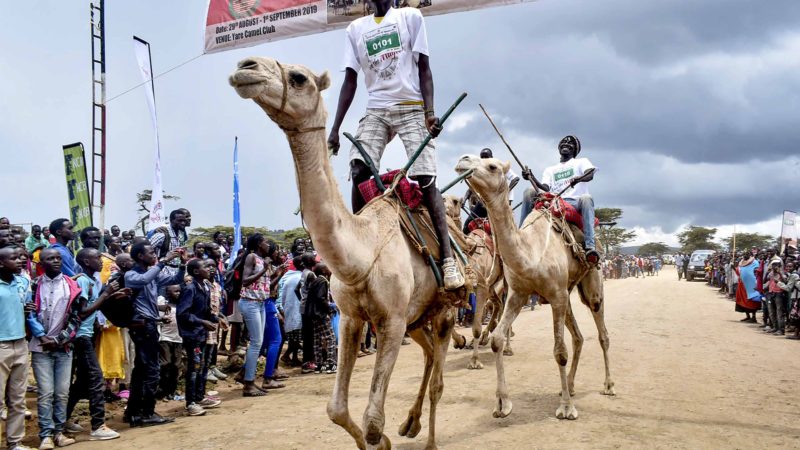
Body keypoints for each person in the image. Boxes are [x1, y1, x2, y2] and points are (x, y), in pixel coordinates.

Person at [327, 0, 464, 290]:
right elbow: (350, 81)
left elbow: (424, 68)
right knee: (358, 167)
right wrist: (336, 128)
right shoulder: (356, 29)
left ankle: (448, 259)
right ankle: (359, 246)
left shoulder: (410, 17)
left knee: (426, 178)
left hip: (412, 106)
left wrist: (429, 113)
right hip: (377, 108)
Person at [123, 242, 186, 427]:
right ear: (140, 256)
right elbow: (144, 280)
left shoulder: (152, 273)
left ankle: (133, 412)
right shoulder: (132, 275)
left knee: (141, 370)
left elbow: (175, 280)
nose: (154, 255)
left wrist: (182, 264)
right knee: (152, 370)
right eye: (151, 252)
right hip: (142, 327)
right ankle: (147, 412)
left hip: (149, 325)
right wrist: (164, 261)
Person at [27, 248, 83, 449]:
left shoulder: (72, 285)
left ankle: (58, 432)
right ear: (41, 263)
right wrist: (43, 337)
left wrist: (59, 340)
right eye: (50, 259)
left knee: (61, 392)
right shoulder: (33, 286)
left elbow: (77, 317)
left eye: (58, 258)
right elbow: (29, 314)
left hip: (63, 347)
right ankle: (45, 435)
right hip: (40, 347)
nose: (56, 261)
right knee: (45, 393)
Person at [64, 248, 123, 441]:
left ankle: (62, 419)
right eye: (97, 258)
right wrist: (106, 294)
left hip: (88, 334)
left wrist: (111, 296)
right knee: (96, 379)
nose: (101, 260)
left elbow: (94, 305)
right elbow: (82, 312)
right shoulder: (83, 280)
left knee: (81, 382)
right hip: (80, 337)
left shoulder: (92, 280)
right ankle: (98, 426)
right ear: (86, 262)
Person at [520, 135, 599, 263]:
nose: (566, 143)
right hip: (554, 201)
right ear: (559, 148)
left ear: (575, 149)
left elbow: (590, 174)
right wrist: (531, 177)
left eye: (571, 143)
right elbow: (545, 187)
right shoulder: (550, 169)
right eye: (563, 142)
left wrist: (579, 179)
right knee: (530, 191)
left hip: (575, 202)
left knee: (587, 198)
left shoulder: (581, 162)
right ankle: (520, 234)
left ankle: (590, 246)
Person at [0, 246, 34, 450]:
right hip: (1, 345)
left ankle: (15, 442)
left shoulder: (21, 283)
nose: (20, 260)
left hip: (20, 343)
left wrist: (25, 309)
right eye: (14, 258)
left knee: (18, 398)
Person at [177, 259, 219, 416]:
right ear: (195, 272)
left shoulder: (205, 287)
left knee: (201, 366)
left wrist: (217, 318)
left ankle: (200, 397)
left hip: (201, 333)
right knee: (194, 368)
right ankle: (191, 403)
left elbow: (206, 311)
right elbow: (183, 314)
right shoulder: (190, 289)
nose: (209, 269)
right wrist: (202, 322)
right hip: (192, 334)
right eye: (205, 267)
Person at [238, 234, 277, 397]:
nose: (268, 244)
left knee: (258, 342)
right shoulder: (251, 258)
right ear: (258, 244)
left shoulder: (263, 260)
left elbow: (264, 286)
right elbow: (245, 281)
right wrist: (264, 269)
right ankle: (248, 384)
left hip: (260, 303)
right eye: (265, 242)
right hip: (250, 302)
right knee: (256, 343)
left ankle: (248, 378)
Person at [308, 263, 338, 374]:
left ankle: (319, 365)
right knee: (330, 338)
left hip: (313, 315)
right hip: (321, 314)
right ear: (324, 271)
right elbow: (321, 298)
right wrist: (331, 306)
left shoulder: (315, 281)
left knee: (317, 339)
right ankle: (331, 364)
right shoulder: (323, 281)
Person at [156, 285, 183, 401]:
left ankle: (171, 390)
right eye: (175, 291)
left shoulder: (182, 304)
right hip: (165, 337)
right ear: (167, 293)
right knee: (165, 363)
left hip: (178, 338)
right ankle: (162, 389)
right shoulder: (162, 304)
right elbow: (157, 319)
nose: (178, 293)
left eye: (179, 291)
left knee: (176, 365)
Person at [278, 256, 303, 367]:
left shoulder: (287, 276)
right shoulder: (301, 277)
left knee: (294, 336)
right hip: (296, 309)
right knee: (295, 337)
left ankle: (292, 357)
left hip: (288, 309)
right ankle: (289, 356)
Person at [299, 253, 318, 373]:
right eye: (312, 258)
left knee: (307, 335)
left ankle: (308, 361)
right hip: (309, 309)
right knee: (310, 336)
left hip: (304, 307)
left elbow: (297, 289)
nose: (315, 259)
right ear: (309, 261)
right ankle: (307, 363)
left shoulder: (304, 272)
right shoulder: (310, 274)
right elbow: (315, 293)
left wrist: (302, 300)